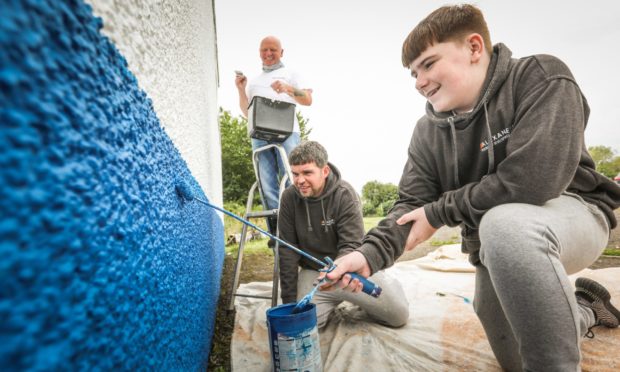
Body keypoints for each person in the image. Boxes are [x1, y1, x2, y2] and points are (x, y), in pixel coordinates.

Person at [324, 4, 620, 371]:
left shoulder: (541, 76)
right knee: (516, 354)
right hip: (495, 244)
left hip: (575, 213)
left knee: (505, 225)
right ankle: (587, 311)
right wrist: (368, 254)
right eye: (413, 73)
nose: (418, 82)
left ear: (474, 48)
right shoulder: (426, 132)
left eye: (429, 64)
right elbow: (411, 206)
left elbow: (532, 180)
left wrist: (440, 212)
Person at [277, 141, 409, 329]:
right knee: (302, 326)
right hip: (315, 274)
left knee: (398, 316)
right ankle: (329, 303)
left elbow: (351, 245)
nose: (299, 180)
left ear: (325, 171)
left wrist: (337, 273)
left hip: (349, 271)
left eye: (307, 173)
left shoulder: (345, 194)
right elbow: (287, 250)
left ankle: (388, 284)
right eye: (295, 174)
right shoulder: (289, 197)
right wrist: (289, 303)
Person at [235, 36, 313, 244]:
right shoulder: (254, 81)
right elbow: (246, 112)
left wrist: (288, 88)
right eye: (264, 50)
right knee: (266, 182)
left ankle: (297, 228)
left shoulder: (291, 73)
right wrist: (241, 89)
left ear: (281, 52)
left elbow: (308, 99)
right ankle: (277, 231)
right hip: (260, 133)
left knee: (291, 177)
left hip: (287, 131)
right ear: (259, 52)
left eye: (273, 50)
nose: (268, 54)